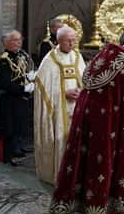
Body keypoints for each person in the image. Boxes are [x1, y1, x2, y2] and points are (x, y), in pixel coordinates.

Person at [49, 38, 124, 214]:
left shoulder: (106, 54)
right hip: (109, 123)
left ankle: (86, 206)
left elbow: (118, 87)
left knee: (90, 161)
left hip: (89, 119)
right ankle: (109, 208)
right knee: (108, 161)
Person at [34, 26, 86, 185]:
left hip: (77, 108)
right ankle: (61, 175)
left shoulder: (78, 57)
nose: (72, 44)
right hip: (59, 111)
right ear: (59, 41)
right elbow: (42, 88)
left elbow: (85, 80)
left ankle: (78, 174)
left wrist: (81, 91)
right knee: (62, 141)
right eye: (68, 41)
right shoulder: (50, 60)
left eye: (73, 40)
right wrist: (63, 93)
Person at [0, 30, 35, 166]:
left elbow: (22, 73)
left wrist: (29, 78)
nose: (19, 42)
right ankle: (6, 155)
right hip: (9, 98)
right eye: (16, 40)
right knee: (9, 127)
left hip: (20, 98)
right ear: (7, 43)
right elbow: (4, 83)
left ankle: (17, 148)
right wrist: (22, 88)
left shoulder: (20, 56)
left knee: (20, 125)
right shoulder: (4, 60)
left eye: (20, 39)